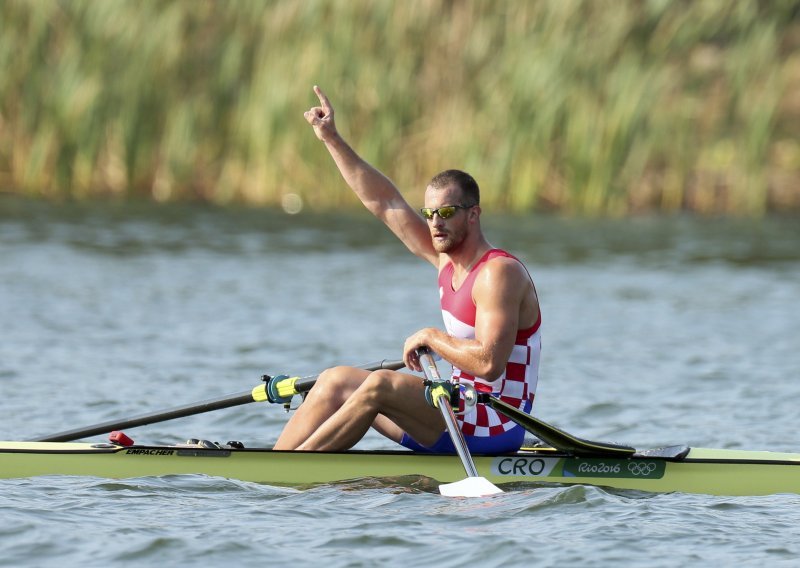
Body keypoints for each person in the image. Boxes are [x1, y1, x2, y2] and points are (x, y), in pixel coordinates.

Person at [273, 86, 541, 454]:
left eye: (446, 213)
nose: (434, 223)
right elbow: (384, 202)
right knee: (334, 380)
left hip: (496, 422)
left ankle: (293, 470)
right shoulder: (446, 261)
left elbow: (490, 364)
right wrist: (331, 138)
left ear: (474, 214)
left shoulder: (499, 273)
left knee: (381, 384)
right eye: (430, 214)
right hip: (456, 406)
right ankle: (272, 468)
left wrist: (432, 337)